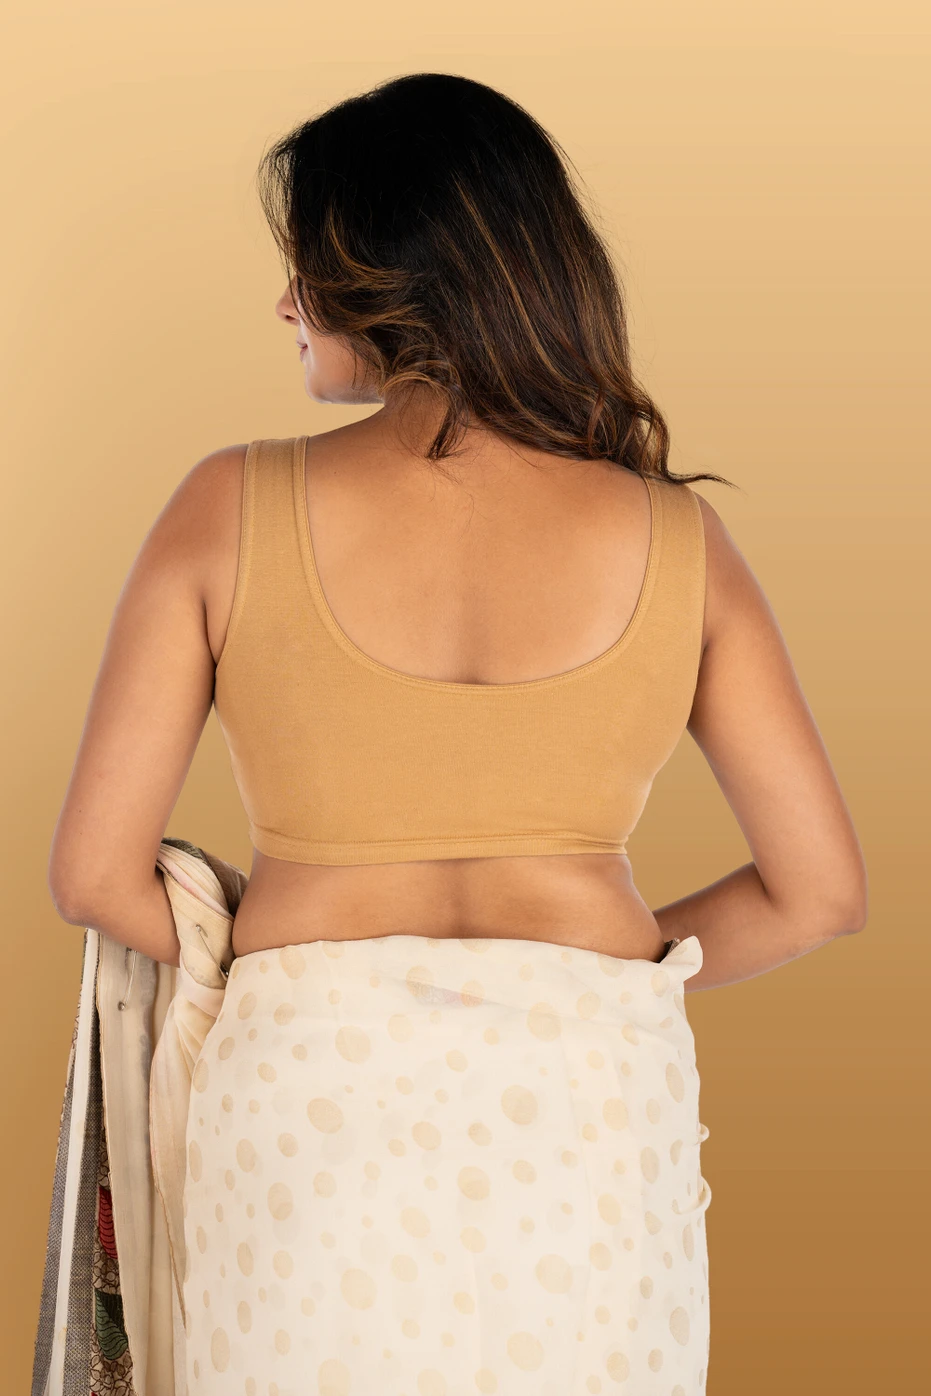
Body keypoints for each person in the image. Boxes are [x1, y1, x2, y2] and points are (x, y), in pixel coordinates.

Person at [48, 72, 868, 1396]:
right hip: (588, 1100)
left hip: (313, 1092)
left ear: (387, 275)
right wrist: (599, 968)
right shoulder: (677, 541)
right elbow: (819, 891)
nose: (286, 304)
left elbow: (94, 874)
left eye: (305, 266)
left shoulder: (226, 506)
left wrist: (257, 945)